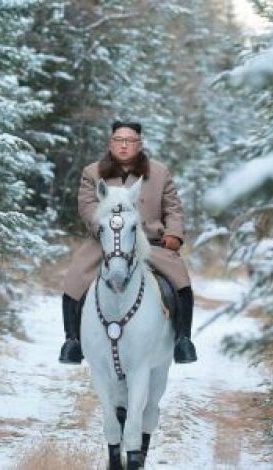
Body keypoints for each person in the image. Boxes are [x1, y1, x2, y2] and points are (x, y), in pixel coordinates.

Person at [59, 120, 198, 365]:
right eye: (118, 140)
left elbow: (173, 209)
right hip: (105, 242)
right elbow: (87, 207)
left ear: (139, 144)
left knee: (181, 284)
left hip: (151, 244)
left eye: (129, 141)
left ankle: (182, 341)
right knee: (75, 280)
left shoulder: (159, 172)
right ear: (110, 143)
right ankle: (72, 342)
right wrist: (102, 228)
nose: (123, 146)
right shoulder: (92, 173)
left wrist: (174, 234)